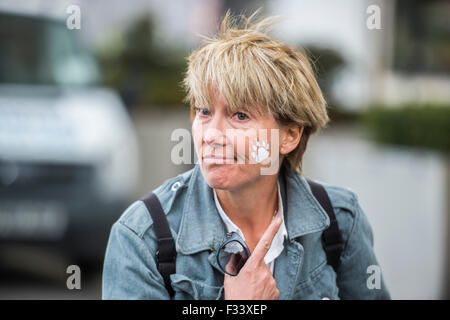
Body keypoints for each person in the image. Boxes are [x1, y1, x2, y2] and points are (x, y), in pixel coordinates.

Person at [102, 11, 390, 300]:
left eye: (240, 115)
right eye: (204, 111)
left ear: (289, 135)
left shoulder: (339, 221)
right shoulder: (142, 236)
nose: (211, 135)